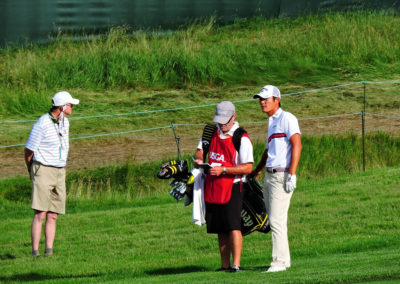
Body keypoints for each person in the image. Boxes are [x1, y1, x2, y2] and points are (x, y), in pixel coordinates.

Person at [193, 101, 254, 273]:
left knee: (233, 225)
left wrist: (224, 169)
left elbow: (248, 167)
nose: (222, 125)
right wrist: (198, 161)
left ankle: (236, 265)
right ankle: (224, 265)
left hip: (233, 185)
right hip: (212, 185)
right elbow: (200, 151)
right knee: (219, 227)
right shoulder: (210, 132)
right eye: (220, 121)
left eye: (226, 121)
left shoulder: (241, 137)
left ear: (234, 117)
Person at [251, 85, 302, 273]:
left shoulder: (287, 118)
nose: (262, 102)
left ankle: (278, 262)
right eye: (260, 99)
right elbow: (268, 151)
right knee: (276, 220)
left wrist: (292, 174)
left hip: (282, 174)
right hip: (270, 175)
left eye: (266, 98)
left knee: (276, 220)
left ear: (277, 99)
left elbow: (297, 145)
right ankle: (285, 260)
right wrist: (257, 170)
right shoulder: (271, 122)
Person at [24, 91, 79, 257]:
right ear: (62, 107)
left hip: (60, 170)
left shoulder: (65, 123)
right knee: (40, 212)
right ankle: (35, 252)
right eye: (70, 105)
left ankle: (49, 251)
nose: (73, 107)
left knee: (53, 214)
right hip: (43, 169)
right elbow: (28, 150)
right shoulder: (42, 124)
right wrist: (32, 171)